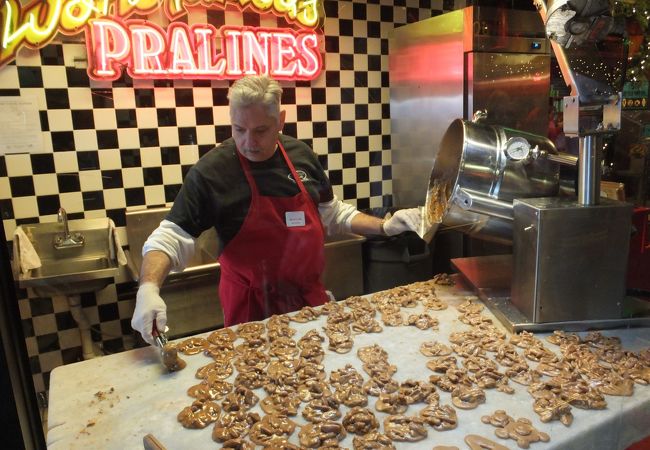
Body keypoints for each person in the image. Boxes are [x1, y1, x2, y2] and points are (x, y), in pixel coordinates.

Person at [131, 75, 421, 345]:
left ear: (280, 120)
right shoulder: (212, 172)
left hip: (309, 305)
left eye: (260, 130)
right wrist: (148, 288)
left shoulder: (301, 156)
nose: (248, 142)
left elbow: (331, 213)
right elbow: (170, 236)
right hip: (250, 313)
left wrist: (384, 226)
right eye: (238, 129)